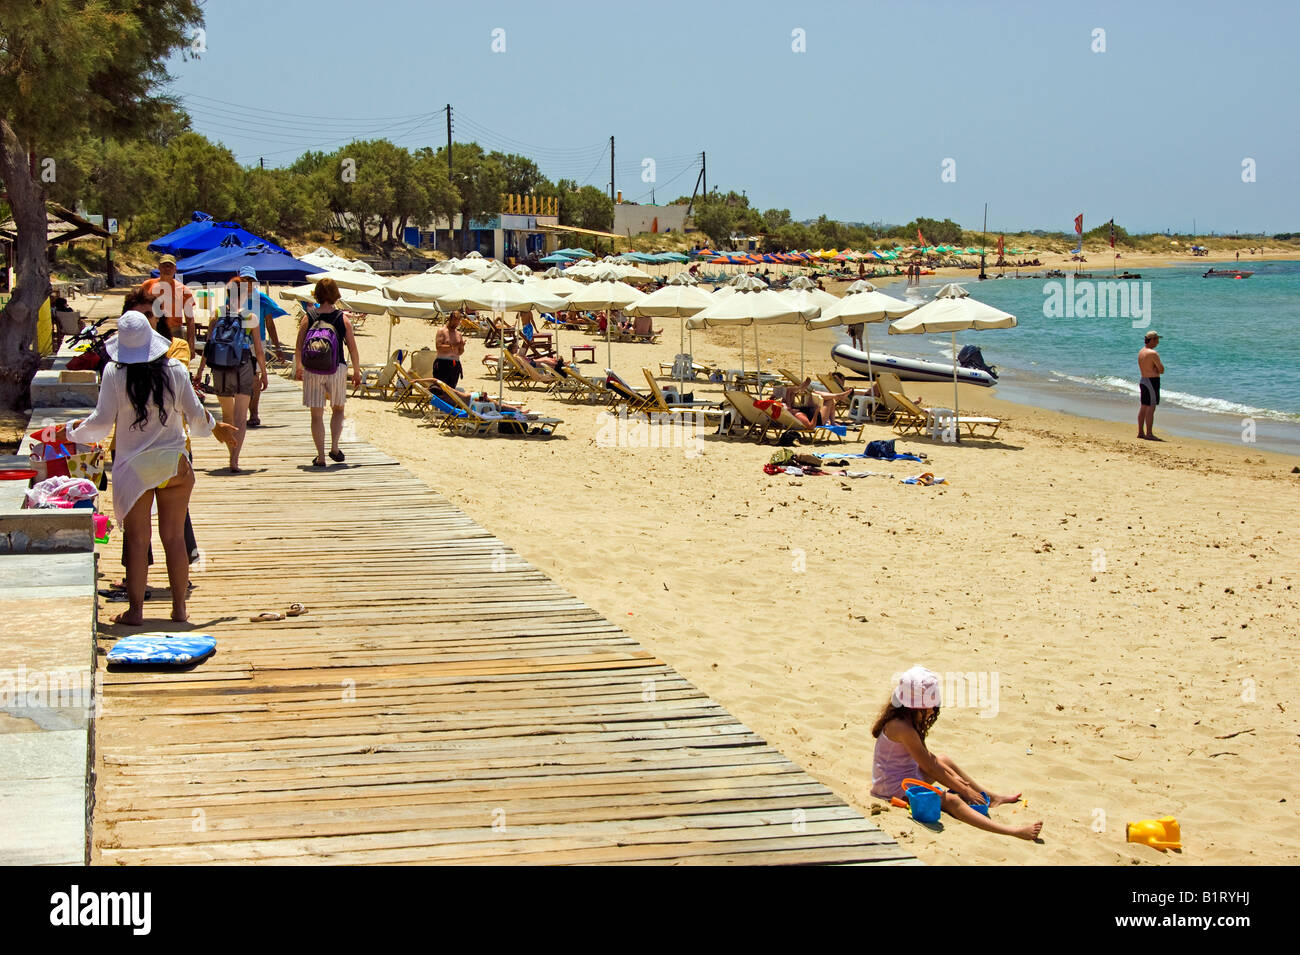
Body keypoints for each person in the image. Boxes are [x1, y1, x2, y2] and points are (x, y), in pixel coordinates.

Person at [59, 312, 237, 624]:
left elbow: (100, 424)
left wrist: (72, 431)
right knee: (175, 539)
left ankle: (136, 611)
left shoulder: (115, 373)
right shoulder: (176, 369)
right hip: (174, 465)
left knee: (139, 542)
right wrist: (215, 427)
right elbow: (196, 414)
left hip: (136, 468)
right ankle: (180, 609)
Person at [870, 666, 1042, 841]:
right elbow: (929, 768)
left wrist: (954, 778)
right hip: (892, 788)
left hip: (906, 774)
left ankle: (992, 797)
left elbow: (931, 760)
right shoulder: (902, 727)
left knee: (944, 760)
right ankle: (1013, 831)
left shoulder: (905, 719)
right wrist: (965, 790)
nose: (931, 711)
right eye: (928, 707)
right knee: (952, 800)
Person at [192, 267, 268, 473]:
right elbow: (259, 351)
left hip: (219, 367)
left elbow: (208, 345)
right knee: (241, 415)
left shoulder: (217, 314)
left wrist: (200, 370)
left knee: (227, 414)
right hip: (243, 364)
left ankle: (230, 452)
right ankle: (235, 459)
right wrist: (263, 373)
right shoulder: (250, 316)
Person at [295, 277, 361, 468]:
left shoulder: (309, 316)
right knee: (338, 409)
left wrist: (299, 367)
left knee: (316, 415)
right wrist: (356, 371)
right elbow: (353, 349)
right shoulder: (342, 318)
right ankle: (334, 447)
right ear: (335, 294)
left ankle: (321, 456)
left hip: (312, 369)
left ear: (317, 294)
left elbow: (299, 346)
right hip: (336, 368)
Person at [224, 266, 288, 427]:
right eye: (245, 280)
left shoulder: (262, 298)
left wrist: (278, 348)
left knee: (254, 381)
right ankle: (241, 412)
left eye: (251, 280)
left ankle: (254, 412)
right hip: (236, 342)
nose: (249, 283)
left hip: (256, 342)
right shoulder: (232, 298)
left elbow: (270, 324)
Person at [143, 254, 196, 351]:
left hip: (174, 333)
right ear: (159, 267)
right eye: (164, 265)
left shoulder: (183, 290)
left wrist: (191, 344)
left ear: (175, 269)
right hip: (152, 332)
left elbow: (190, 320)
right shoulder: (148, 285)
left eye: (170, 266)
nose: (167, 268)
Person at [1137, 330, 1165, 440]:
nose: (1158, 342)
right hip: (1152, 381)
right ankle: (1149, 433)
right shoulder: (1153, 353)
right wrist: (1156, 369)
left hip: (1143, 379)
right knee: (1151, 407)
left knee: (1144, 406)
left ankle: (1141, 432)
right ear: (1152, 340)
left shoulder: (1141, 352)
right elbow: (1161, 369)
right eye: (1157, 340)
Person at [433, 312, 466, 388]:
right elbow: (439, 347)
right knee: (440, 388)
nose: (456, 325)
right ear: (450, 319)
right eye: (454, 322)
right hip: (443, 363)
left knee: (452, 388)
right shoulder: (442, 331)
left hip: (455, 363)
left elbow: (460, 352)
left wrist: (461, 347)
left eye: (457, 322)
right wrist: (454, 346)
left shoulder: (458, 334)